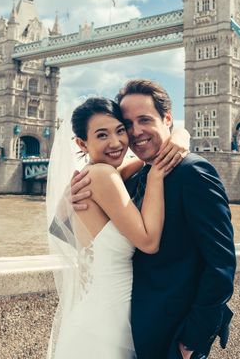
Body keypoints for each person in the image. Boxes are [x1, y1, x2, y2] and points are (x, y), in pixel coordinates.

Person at [70, 79, 236, 359]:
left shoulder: (193, 173)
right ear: (82, 143)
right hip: (129, 331)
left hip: (174, 338)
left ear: (167, 118)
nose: (134, 133)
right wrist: (70, 201)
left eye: (144, 120)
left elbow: (221, 265)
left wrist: (191, 341)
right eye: (128, 124)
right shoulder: (131, 174)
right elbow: (65, 232)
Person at [46, 97, 189, 359]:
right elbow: (148, 242)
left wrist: (180, 133)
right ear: (81, 143)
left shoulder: (97, 173)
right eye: (102, 135)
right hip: (109, 325)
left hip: (94, 317)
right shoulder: (103, 176)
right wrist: (157, 175)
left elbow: (59, 232)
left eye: (120, 130)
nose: (116, 142)